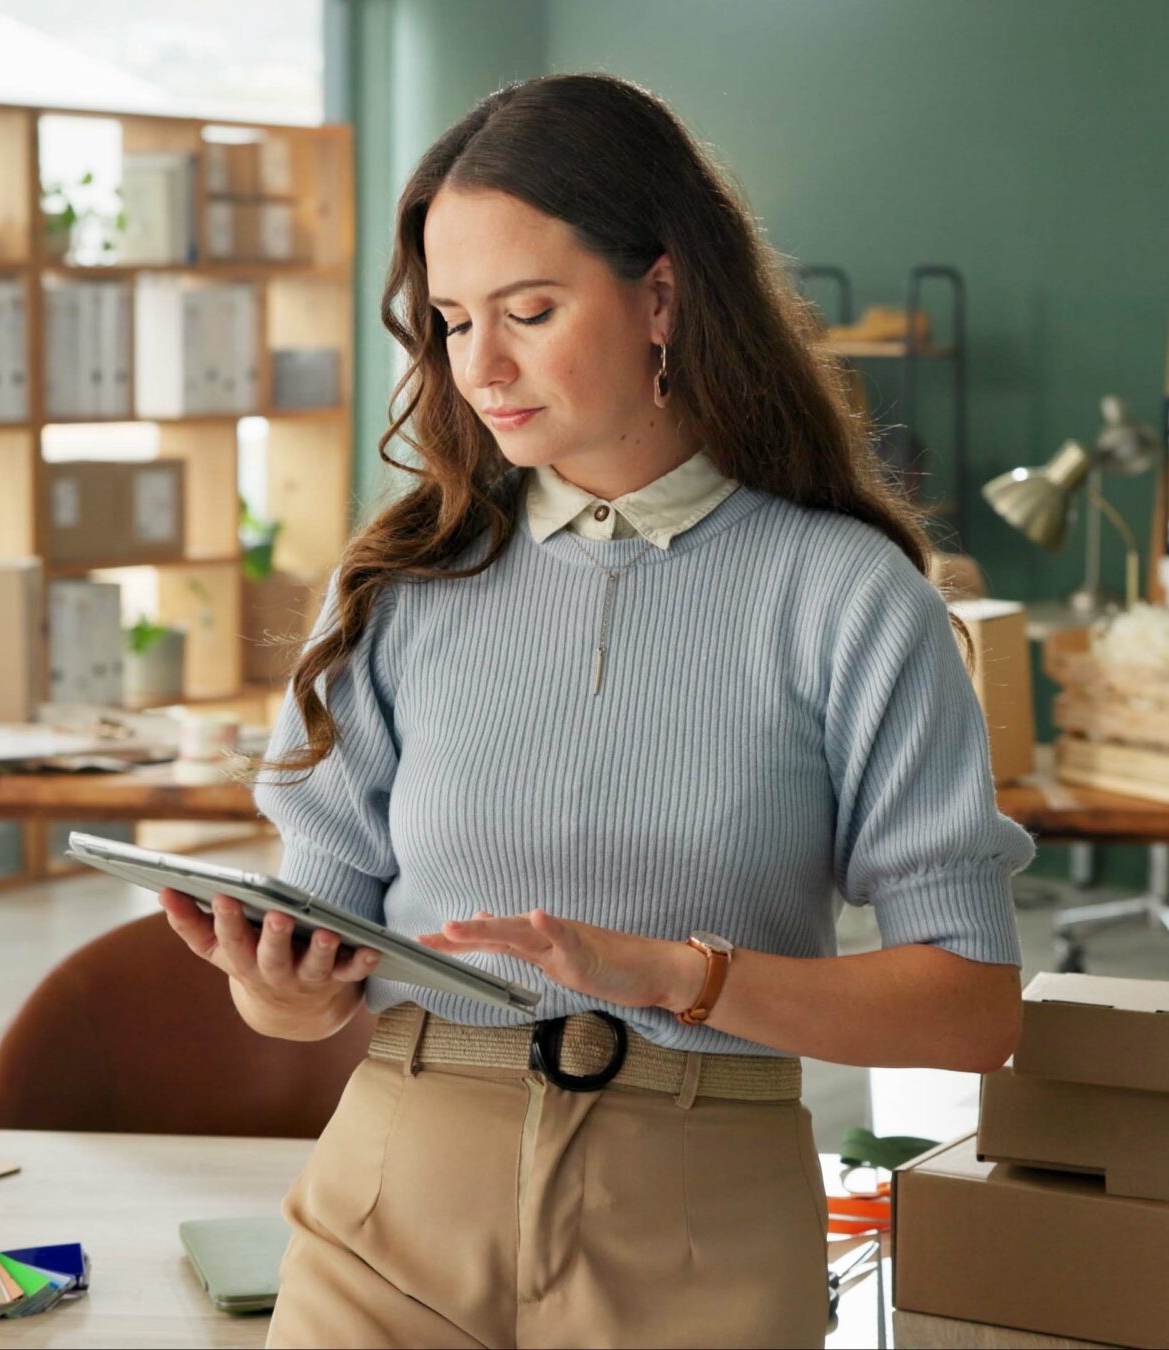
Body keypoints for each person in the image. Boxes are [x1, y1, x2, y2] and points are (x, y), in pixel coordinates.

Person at [157, 71, 1034, 1348]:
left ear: (661, 295)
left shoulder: (846, 594)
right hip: (394, 1197)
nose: (484, 366)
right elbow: (316, 955)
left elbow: (969, 1011)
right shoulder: (398, 579)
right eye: (453, 321)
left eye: (528, 310)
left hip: (700, 1221)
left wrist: (669, 973)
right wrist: (279, 990)